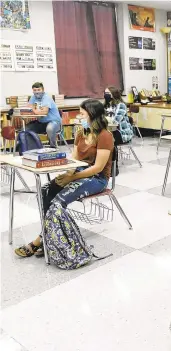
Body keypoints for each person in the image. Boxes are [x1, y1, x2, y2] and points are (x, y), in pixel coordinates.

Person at [14, 99, 114, 258]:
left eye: (82, 114)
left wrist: (72, 178)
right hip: (79, 172)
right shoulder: (81, 132)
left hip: (97, 179)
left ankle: (41, 240)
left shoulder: (105, 136)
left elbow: (98, 168)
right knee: (46, 190)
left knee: (57, 202)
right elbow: (74, 159)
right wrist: (68, 173)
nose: (79, 117)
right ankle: (50, 238)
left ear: (92, 115)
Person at [26, 82, 62, 147]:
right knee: (27, 129)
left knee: (49, 128)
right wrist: (35, 110)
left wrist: (34, 110)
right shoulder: (33, 97)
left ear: (43, 90)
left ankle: (53, 147)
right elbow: (29, 109)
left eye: (39, 90)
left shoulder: (46, 98)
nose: (37, 92)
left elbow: (44, 112)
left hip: (54, 122)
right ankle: (33, 148)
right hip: (41, 123)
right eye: (35, 90)